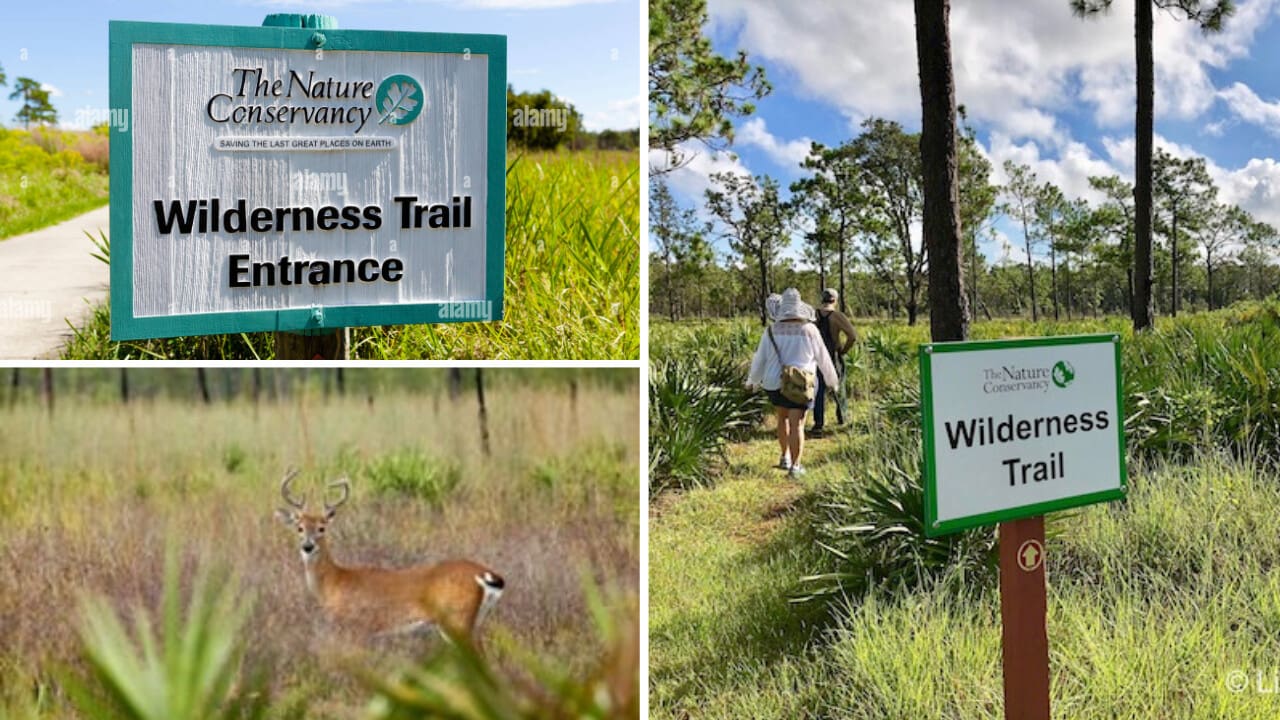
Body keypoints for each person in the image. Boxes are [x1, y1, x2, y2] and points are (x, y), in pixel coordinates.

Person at [747, 288, 839, 477]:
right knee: (797, 424)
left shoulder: (771, 331)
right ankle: (795, 467)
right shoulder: (810, 330)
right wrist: (832, 381)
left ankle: (785, 457)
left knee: (782, 418)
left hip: (775, 382)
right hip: (801, 383)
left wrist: (752, 381)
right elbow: (823, 358)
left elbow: (760, 359)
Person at [811, 289, 857, 435]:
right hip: (833, 355)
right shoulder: (837, 316)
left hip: (816, 356)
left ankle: (818, 423)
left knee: (818, 389)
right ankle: (842, 416)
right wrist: (843, 350)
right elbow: (852, 336)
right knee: (839, 384)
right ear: (835, 300)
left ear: (822, 300)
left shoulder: (813, 315)